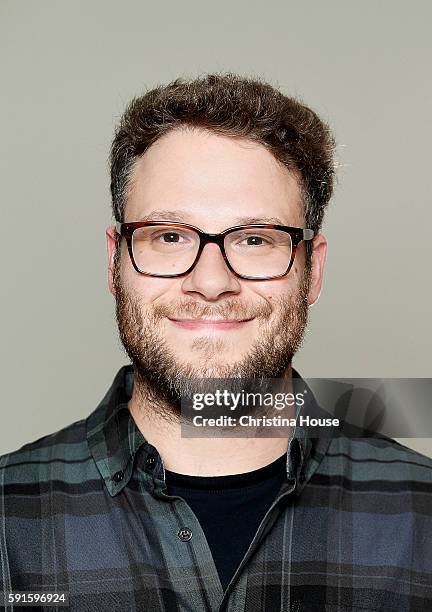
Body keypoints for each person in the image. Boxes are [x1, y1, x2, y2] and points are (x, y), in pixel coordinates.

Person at [0, 73, 431, 612]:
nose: (209, 282)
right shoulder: (7, 519)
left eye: (254, 240)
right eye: (169, 236)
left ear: (312, 271)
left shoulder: (422, 516)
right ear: (114, 262)